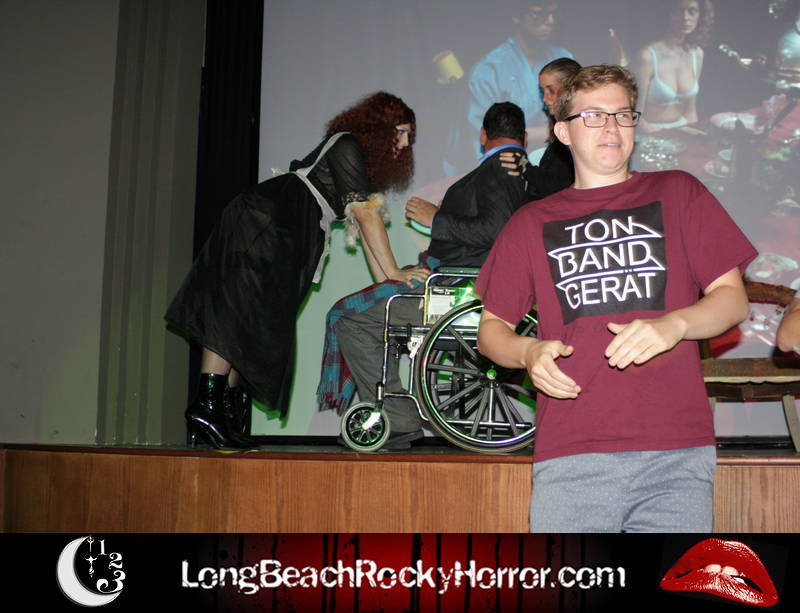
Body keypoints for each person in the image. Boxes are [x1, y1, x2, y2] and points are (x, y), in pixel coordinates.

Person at [476, 65, 757, 532]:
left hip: (676, 452)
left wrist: (675, 324)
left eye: (623, 115)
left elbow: (732, 300)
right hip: (571, 452)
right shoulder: (530, 222)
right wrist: (527, 352)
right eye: (594, 116)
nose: (611, 127)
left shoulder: (678, 191)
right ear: (563, 132)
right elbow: (491, 331)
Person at [166, 91, 428, 449]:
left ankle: (221, 414)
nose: (404, 143)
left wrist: (386, 282)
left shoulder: (356, 165)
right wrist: (394, 271)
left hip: (289, 227)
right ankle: (206, 406)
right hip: (270, 219)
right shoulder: (347, 143)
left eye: (409, 136)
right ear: (379, 126)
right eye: (401, 131)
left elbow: (365, 226)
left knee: (252, 321)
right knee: (236, 313)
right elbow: (367, 217)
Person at [317, 102, 531, 449]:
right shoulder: (521, 170)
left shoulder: (500, 168)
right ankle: (399, 416)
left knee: (350, 319)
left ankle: (398, 420)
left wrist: (437, 220)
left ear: (482, 136)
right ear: (523, 136)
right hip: (463, 283)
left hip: (463, 290)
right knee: (369, 307)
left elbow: (498, 231)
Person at [458, 2, 573, 171]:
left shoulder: (562, 58)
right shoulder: (489, 69)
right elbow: (484, 138)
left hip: (557, 163)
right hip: (504, 167)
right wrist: (551, 132)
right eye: (538, 13)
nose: (550, 21)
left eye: (553, 14)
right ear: (517, 16)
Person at [504, 57, 580, 199]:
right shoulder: (559, 137)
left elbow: (555, 187)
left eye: (551, 90)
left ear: (570, 90)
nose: (545, 98)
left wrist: (524, 165)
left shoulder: (578, 136)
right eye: (542, 91)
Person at [633, 0, 714, 132]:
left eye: (692, 11)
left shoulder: (697, 54)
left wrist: (694, 134)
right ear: (667, 13)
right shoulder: (647, 57)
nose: (685, 17)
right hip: (650, 133)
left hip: (682, 129)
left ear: (700, 15)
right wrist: (666, 138)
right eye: (679, 11)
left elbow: (690, 111)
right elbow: (635, 117)